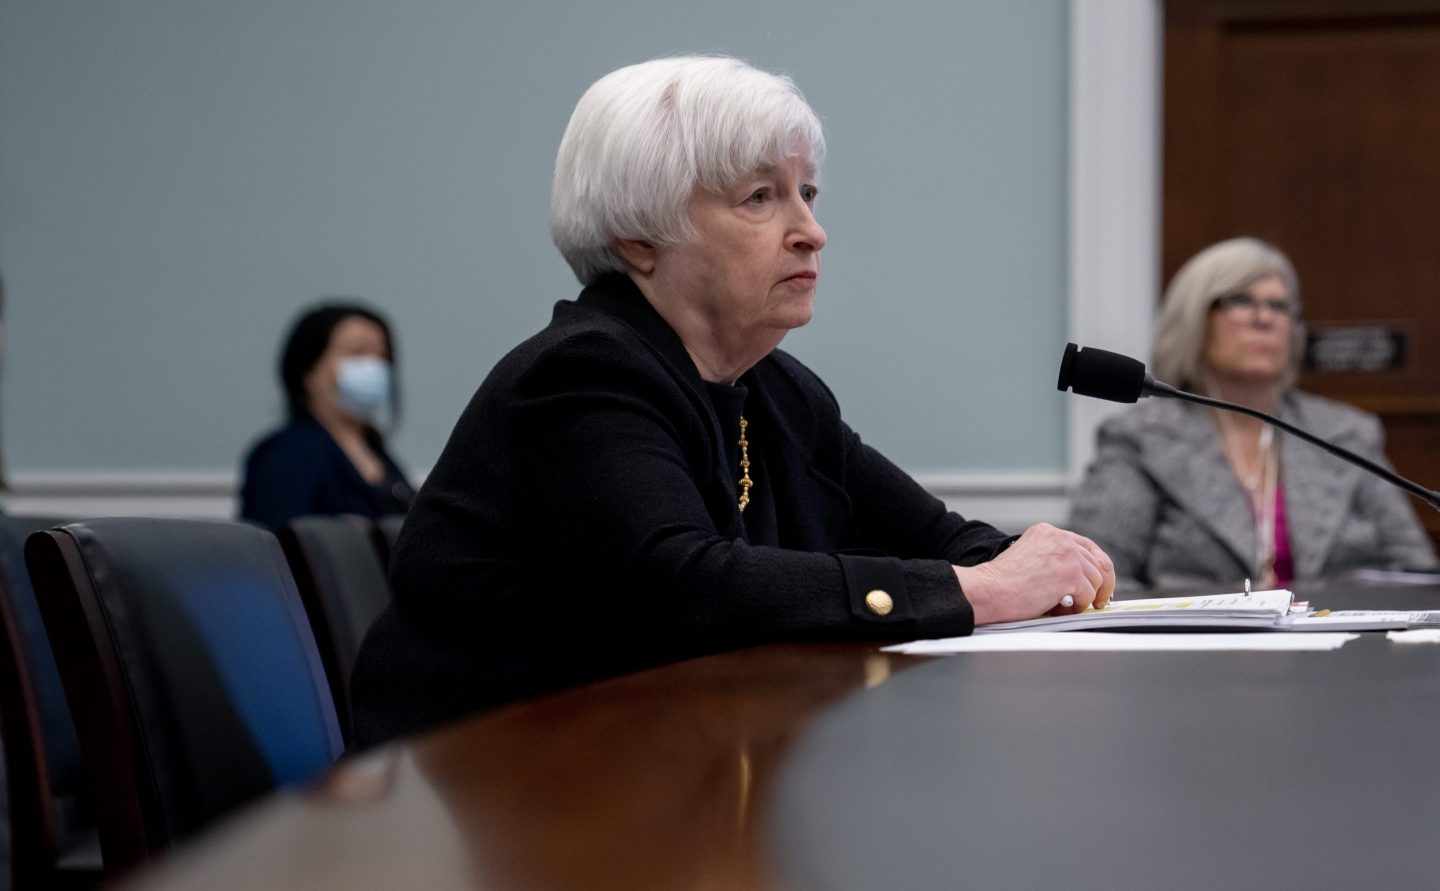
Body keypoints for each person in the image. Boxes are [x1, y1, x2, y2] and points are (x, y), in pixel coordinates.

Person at [349, 55, 1114, 747]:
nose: (811, 231)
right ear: (639, 238)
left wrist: (1026, 569)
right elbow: (685, 585)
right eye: (760, 198)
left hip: (659, 771)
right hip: (487, 797)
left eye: (806, 194)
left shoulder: (774, 389)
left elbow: (939, 537)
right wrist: (983, 589)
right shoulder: (584, 375)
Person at [1068, 237, 1436, 590]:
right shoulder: (1141, 439)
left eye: (1280, 306)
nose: (1265, 318)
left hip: (1340, 642)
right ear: (1195, 318)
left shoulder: (1344, 432)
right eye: (1242, 301)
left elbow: (1415, 570)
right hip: (1194, 647)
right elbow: (1099, 575)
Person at [239, 302, 413, 530]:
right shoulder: (286, 454)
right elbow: (278, 546)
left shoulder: (379, 454)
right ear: (308, 370)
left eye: (382, 355)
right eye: (357, 352)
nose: (374, 366)